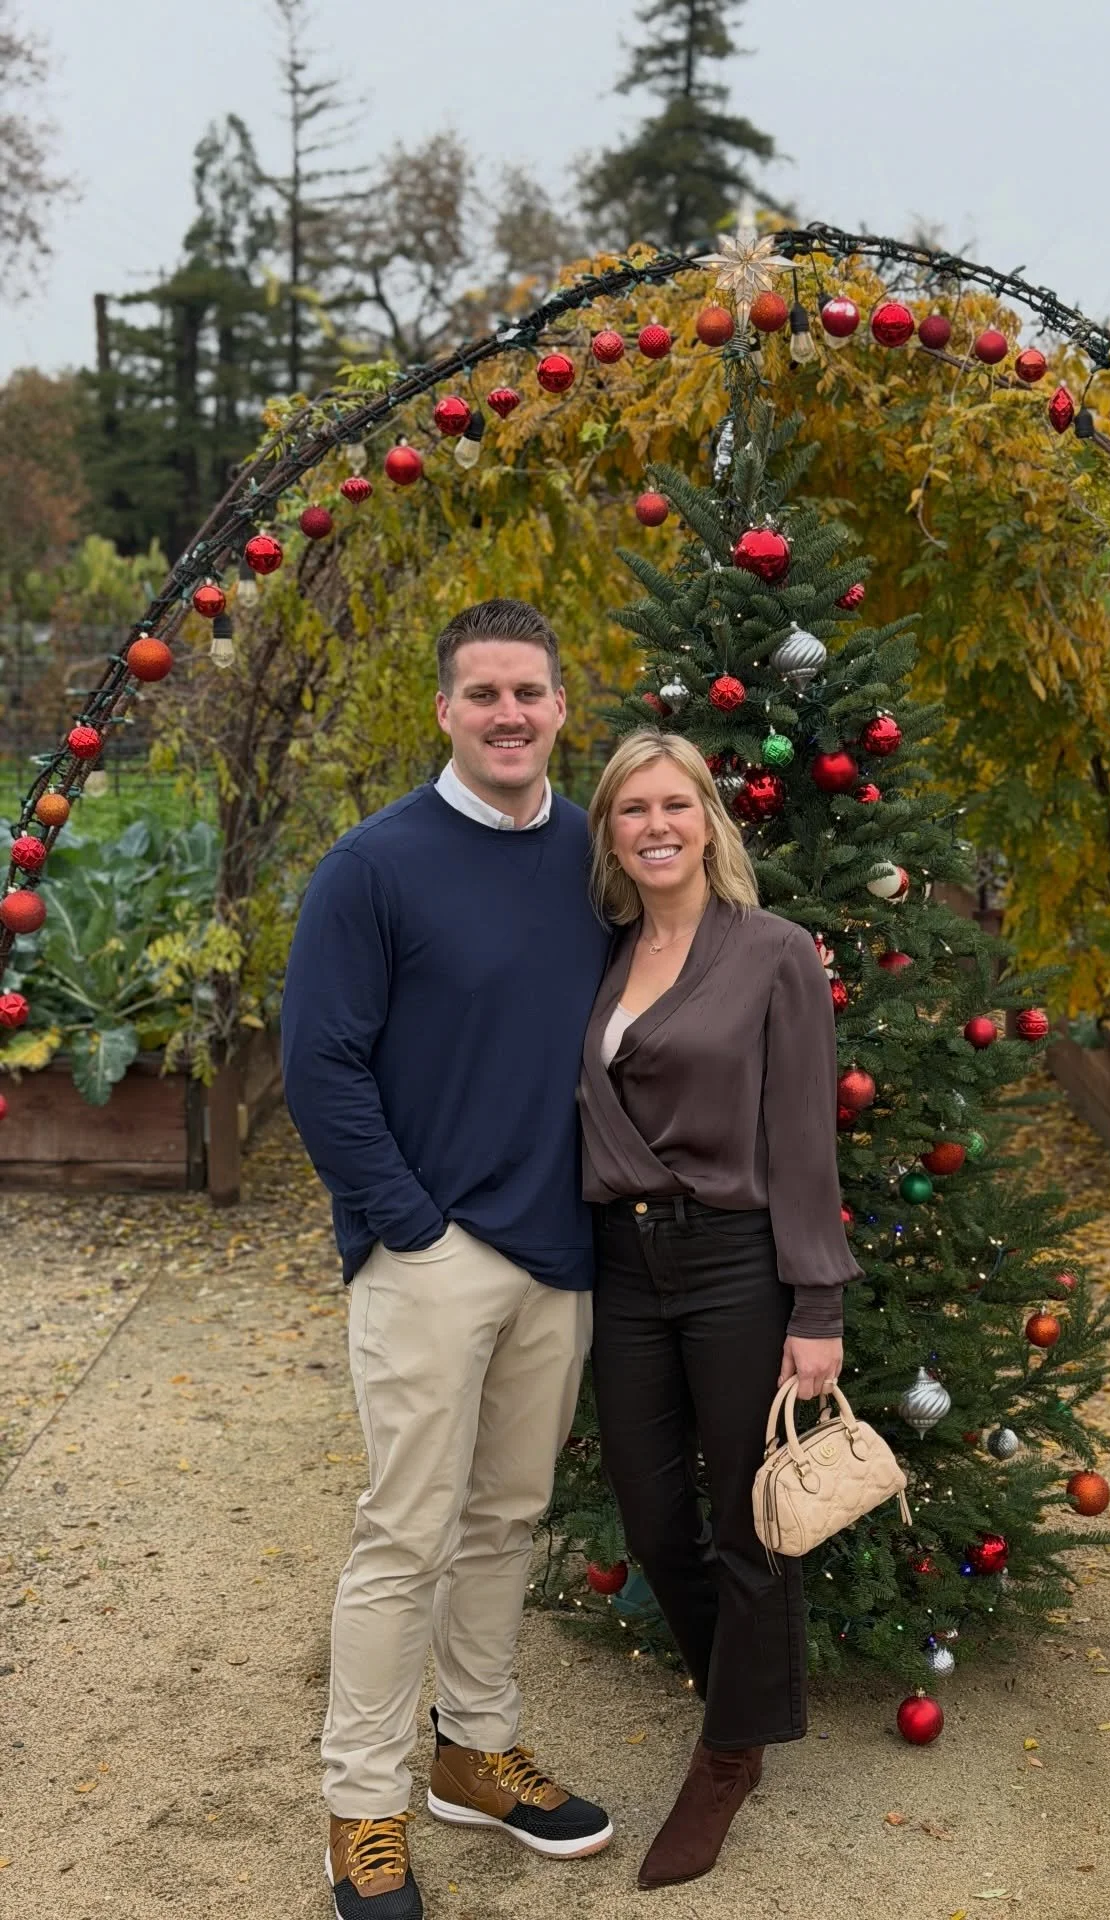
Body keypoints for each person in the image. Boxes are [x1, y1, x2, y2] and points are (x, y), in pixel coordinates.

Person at [282, 600, 614, 1920]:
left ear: (561, 707)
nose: (509, 715)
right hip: (431, 1255)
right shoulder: (374, 868)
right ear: (446, 711)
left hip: (558, 1251)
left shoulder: (591, 852)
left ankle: (475, 1752)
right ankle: (362, 1807)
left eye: (529, 692)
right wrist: (410, 1226)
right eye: (484, 694)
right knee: (403, 1535)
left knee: (505, 1520)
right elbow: (320, 1066)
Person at [578, 727, 860, 1892]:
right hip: (623, 1266)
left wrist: (817, 1303)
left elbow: (802, 1139)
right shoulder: (602, 953)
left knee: (753, 1523)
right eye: (631, 809)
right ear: (611, 834)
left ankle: (729, 1755)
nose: (655, 826)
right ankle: (738, 1700)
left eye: (674, 805)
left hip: (736, 1263)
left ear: (708, 819)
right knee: (655, 1521)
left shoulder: (773, 952)